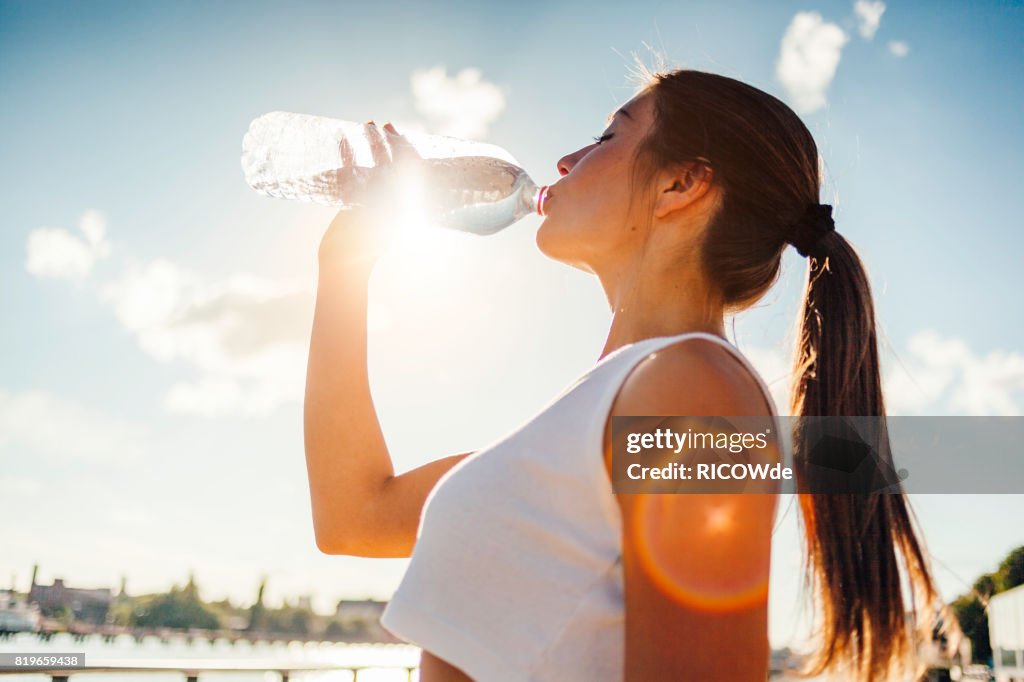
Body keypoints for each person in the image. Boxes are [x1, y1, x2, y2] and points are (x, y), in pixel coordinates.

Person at [303, 67, 941, 681]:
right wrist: (344, 266)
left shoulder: (693, 388)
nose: (564, 160)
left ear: (680, 185)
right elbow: (356, 516)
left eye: (608, 136)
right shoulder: (609, 403)